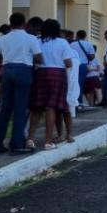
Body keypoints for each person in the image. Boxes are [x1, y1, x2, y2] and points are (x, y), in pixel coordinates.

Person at [0, 14, 42, 155]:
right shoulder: (31, 38)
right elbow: (39, 57)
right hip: (24, 70)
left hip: (7, 70)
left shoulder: (3, 38)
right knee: (20, 109)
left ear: (10, 23)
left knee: (5, 110)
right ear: (24, 23)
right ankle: (16, 144)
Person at [33, 19, 73, 149]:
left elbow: (35, 59)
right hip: (58, 74)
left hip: (41, 73)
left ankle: (30, 138)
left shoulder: (38, 41)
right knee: (53, 106)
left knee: (37, 107)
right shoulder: (62, 42)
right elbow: (68, 63)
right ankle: (48, 140)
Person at [70, 30, 95, 109]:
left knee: (73, 83)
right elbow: (92, 56)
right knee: (80, 83)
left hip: (73, 65)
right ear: (85, 36)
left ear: (77, 36)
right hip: (83, 65)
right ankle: (79, 101)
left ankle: (74, 101)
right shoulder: (89, 44)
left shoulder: (72, 44)